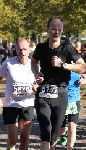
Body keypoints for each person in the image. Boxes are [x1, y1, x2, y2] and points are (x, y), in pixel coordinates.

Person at [31, 16, 84, 150]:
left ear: (62, 30)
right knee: (45, 132)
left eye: (59, 29)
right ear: (47, 29)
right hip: (43, 92)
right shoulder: (41, 47)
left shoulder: (67, 48)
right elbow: (33, 61)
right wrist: (36, 74)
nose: (56, 32)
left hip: (61, 93)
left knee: (54, 134)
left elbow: (83, 67)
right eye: (53, 29)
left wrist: (63, 65)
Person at [0, 38, 38, 150]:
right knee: (13, 140)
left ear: (29, 50)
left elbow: (41, 82)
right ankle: (10, 146)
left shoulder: (35, 65)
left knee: (25, 137)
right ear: (15, 49)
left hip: (28, 103)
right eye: (19, 49)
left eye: (24, 49)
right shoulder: (8, 63)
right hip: (11, 104)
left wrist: (37, 87)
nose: (22, 52)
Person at [59, 72, 86, 149]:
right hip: (60, 100)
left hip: (74, 100)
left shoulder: (78, 63)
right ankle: (64, 132)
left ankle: (69, 148)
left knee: (72, 126)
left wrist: (84, 80)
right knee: (60, 130)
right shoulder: (60, 63)